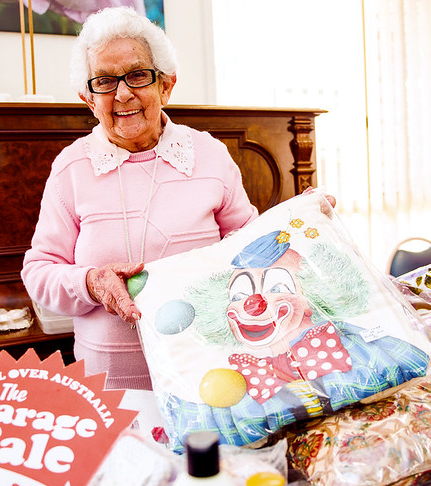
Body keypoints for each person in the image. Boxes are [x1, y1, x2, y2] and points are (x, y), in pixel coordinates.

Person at [21, 6, 258, 390]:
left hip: (209, 371)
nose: (123, 93)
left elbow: (250, 246)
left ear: (166, 85)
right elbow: (39, 270)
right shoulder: (72, 168)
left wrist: (304, 224)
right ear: (88, 100)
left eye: (137, 75)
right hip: (111, 386)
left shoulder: (210, 155)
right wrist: (93, 283)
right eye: (104, 81)